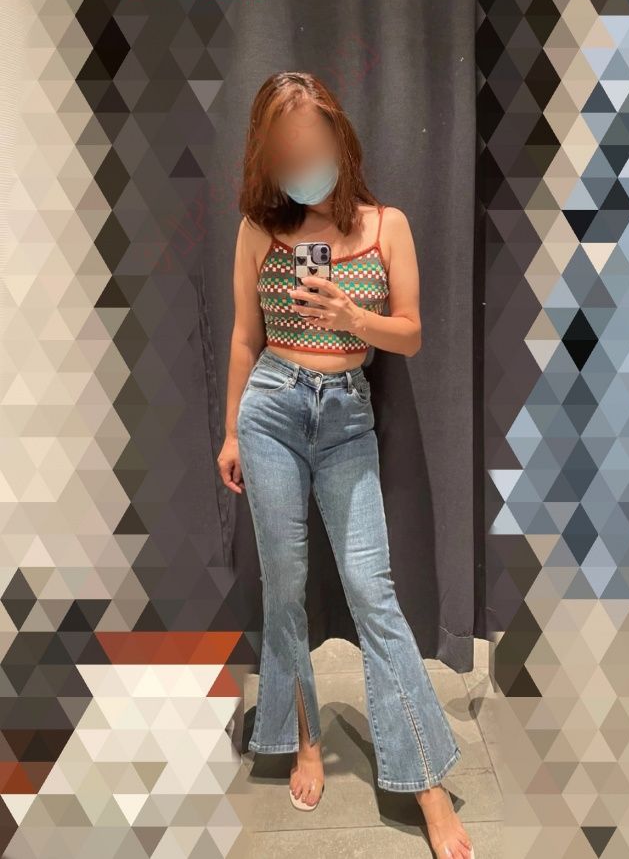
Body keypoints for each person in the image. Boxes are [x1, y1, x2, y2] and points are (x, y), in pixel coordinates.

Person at [217, 71, 475, 859]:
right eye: (287, 153)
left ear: (339, 140)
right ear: (270, 158)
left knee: (372, 591)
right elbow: (244, 337)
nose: (305, 164)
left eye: (314, 146)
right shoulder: (258, 230)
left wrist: (351, 315)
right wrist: (230, 432)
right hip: (270, 409)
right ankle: (304, 740)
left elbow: (412, 333)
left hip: (346, 416)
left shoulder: (386, 225)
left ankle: (425, 780)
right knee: (285, 586)